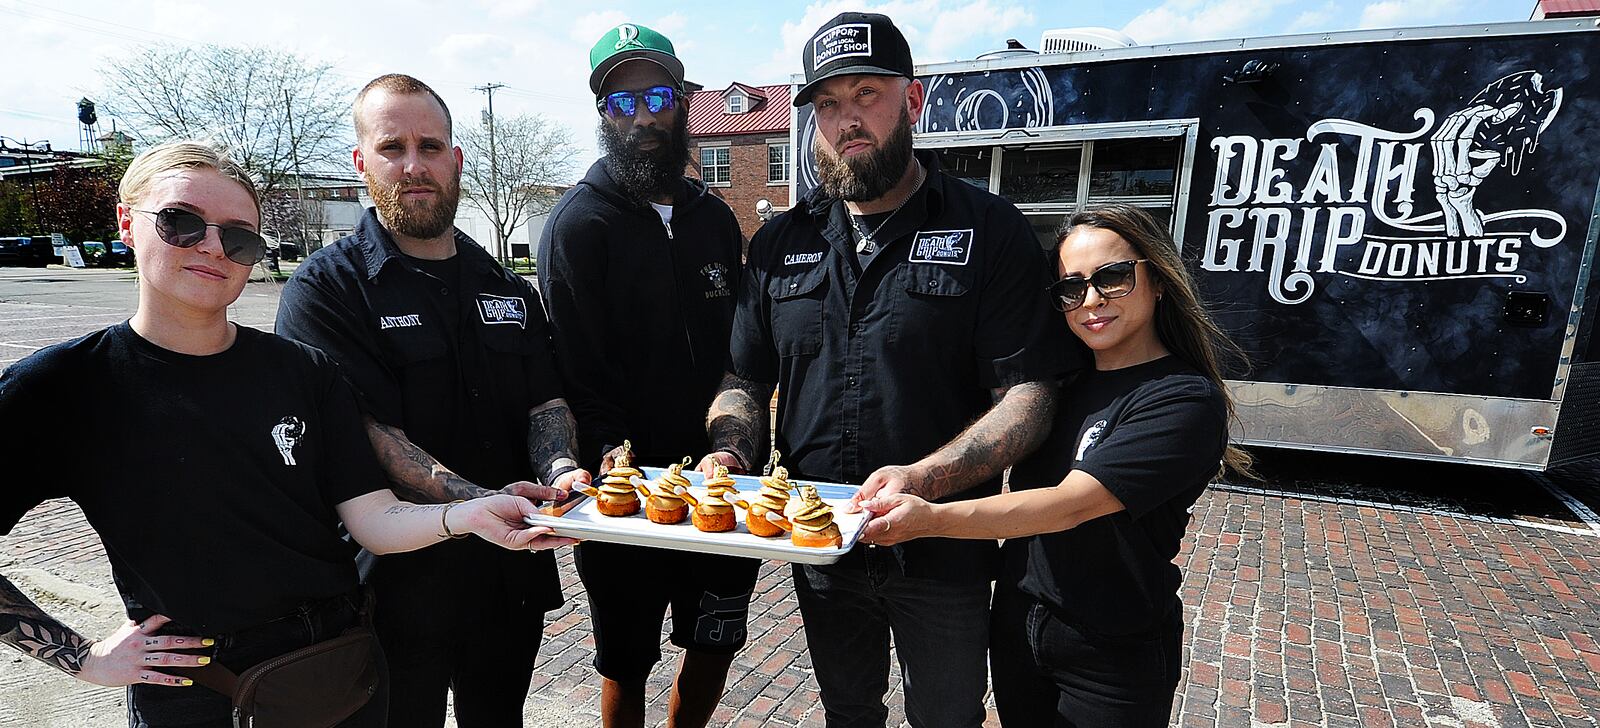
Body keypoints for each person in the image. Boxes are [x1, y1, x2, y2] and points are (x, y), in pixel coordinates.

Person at [0, 140, 572, 728]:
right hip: (199, 691)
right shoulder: (65, 386)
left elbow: (373, 518)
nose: (212, 248)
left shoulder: (303, 371)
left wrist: (470, 515)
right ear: (127, 222)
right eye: (180, 222)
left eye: (239, 236)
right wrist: (80, 657)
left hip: (338, 670)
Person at [701, 12, 1076, 727]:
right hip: (820, 547)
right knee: (848, 711)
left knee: (947, 716)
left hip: (943, 549)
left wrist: (922, 483)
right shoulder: (780, 244)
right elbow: (743, 380)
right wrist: (729, 448)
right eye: (827, 105)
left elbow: (1028, 396)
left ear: (912, 102)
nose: (847, 120)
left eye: (866, 94)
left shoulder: (988, 229)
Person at [858, 204, 1254, 727]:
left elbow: (1068, 506)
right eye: (1071, 288)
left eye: (1113, 278)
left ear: (1157, 280)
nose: (1091, 300)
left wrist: (929, 520)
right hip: (1021, 625)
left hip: (1111, 644)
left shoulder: (1181, 399)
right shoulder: (1059, 388)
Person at [275, 74, 589, 728]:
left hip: (506, 577)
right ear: (361, 164)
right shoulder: (326, 290)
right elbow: (363, 431)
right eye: (393, 147)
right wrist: (478, 503)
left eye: (431, 145)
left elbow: (544, 403)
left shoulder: (506, 287)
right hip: (392, 589)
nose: (414, 165)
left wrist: (561, 472)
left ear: (457, 160)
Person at [536, 23, 752, 728]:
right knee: (626, 662)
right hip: (621, 490)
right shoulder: (576, 224)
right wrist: (610, 459)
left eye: (656, 97)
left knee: (714, 643)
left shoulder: (715, 219)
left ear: (683, 101)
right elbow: (578, 371)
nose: (641, 118)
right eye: (620, 104)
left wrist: (734, 449)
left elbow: (740, 356)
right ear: (602, 115)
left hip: (722, 481)